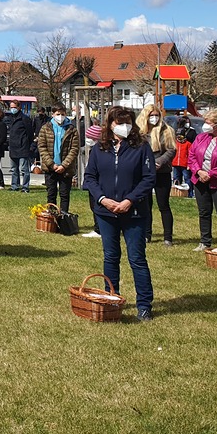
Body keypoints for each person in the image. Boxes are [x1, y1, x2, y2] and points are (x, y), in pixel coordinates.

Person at [82, 106, 156, 322]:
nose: (124, 126)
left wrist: (129, 200)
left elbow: (148, 178)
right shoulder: (99, 148)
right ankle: (111, 298)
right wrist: (103, 199)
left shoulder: (141, 147)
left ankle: (144, 305)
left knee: (137, 258)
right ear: (110, 124)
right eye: (119, 122)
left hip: (134, 212)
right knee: (111, 256)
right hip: (105, 212)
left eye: (127, 122)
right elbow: (90, 177)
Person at [187, 109, 217, 253]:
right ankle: (205, 241)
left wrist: (211, 174)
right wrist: (198, 171)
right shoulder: (201, 137)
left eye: (208, 123)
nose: (205, 125)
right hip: (200, 181)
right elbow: (192, 156)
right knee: (204, 212)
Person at [138, 105, 176, 246]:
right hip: (144, 173)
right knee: (145, 205)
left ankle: (168, 237)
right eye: (151, 115)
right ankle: (146, 234)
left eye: (156, 115)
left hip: (162, 172)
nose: (154, 118)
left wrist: (159, 162)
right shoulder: (139, 132)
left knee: (163, 205)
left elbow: (171, 150)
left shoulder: (167, 130)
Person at [37, 104, 79, 214]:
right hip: (50, 168)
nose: (60, 116)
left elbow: (74, 149)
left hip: (66, 169)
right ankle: (52, 216)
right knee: (51, 194)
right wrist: (51, 164)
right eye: (58, 114)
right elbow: (42, 147)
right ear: (53, 114)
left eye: (63, 114)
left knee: (64, 195)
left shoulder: (72, 129)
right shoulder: (45, 128)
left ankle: (64, 217)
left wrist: (64, 165)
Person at [5, 101, 33, 193]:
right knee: (14, 169)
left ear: (19, 107)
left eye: (14, 107)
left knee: (24, 169)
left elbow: (30, 133)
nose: (12, 109)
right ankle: (14, 185)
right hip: (13, 147)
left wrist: (27, 144)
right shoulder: (10, 119)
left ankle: (25, 187)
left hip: (23, 147)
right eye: (11, 107)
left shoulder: (25, 119)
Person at [172, 127, 193, 198]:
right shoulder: (175, 143)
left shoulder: (188, 144)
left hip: (184, 164)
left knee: (187, 178)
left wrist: (189, 164)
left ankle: (189, 194)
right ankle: (176, 193)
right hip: (175, 164)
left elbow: (190, 155)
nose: (179, 138)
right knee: (176, 178)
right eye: (177, 136)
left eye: (180, 136)